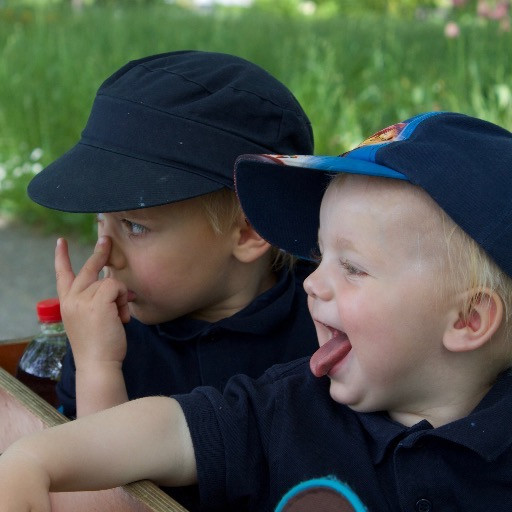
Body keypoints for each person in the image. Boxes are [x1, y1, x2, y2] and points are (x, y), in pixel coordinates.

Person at [3, 111, 512, 512]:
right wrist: (36, 458)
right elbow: (167, 430)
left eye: (352, 268)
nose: (311, 282)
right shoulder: (286, 409)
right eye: (318, 256)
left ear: (467, 320)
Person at [26, 50, 317, 510]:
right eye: (99, 221)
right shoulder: (105, 338)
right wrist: (98, 368)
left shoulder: (326, 323)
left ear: (250, 230)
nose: (106, 254)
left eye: (135, 226)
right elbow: (104, 501)